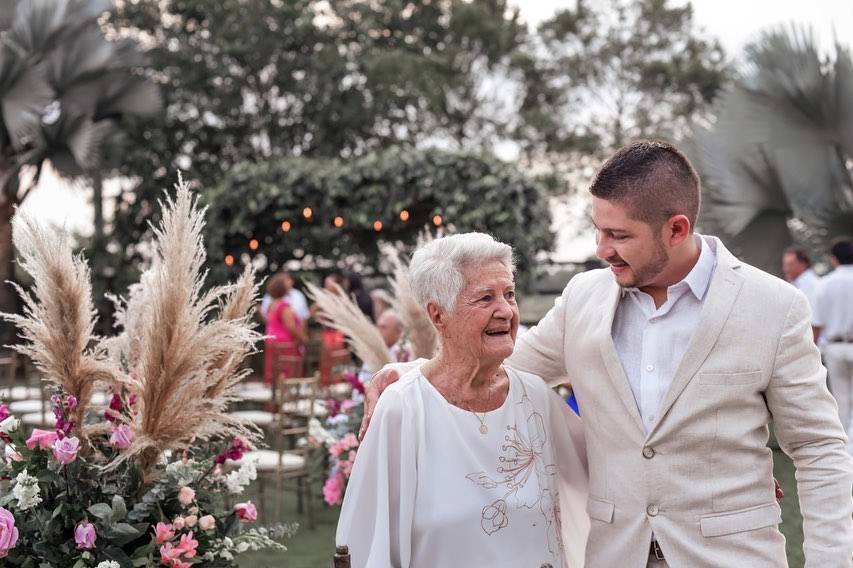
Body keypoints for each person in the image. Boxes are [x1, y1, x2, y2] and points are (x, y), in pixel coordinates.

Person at [364, 140, 853, 566]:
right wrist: (406, 371)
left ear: (677, 229)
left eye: (619, 236)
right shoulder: (583, 297)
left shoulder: (774, 307)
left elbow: (819, 448)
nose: (601, 248)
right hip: (614, 554)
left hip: (730, 557)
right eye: (598, 230)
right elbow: (508, 364)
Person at [336, 233, 589, 568]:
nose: (506, 311)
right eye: (485, 298)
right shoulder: (403, 409)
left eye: (509, 294)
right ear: (438, 315)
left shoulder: (536, 398)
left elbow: (603, 472)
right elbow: (369, 543)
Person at [813, 237, 853, 454]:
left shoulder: (825, 283)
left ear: (834, 259)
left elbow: (817, 323)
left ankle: (842, 452)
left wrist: (811, 351)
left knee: (841, 400)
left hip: (835, 347)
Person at [263, 273, 306, 384]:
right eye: (287, 282)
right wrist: (303, 338)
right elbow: (291, 326)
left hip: (272, 343)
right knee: (286, 374)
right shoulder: (284, 307)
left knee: (274, 372)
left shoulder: (272, 305)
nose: (290, 283)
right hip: (285, 344)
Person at [782, 245, 820, 320]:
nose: (786, 269)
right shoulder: (798, 283)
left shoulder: (810, 284)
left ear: (803, 264)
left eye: (790, 265)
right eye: (785, 265)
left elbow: (811, 317)